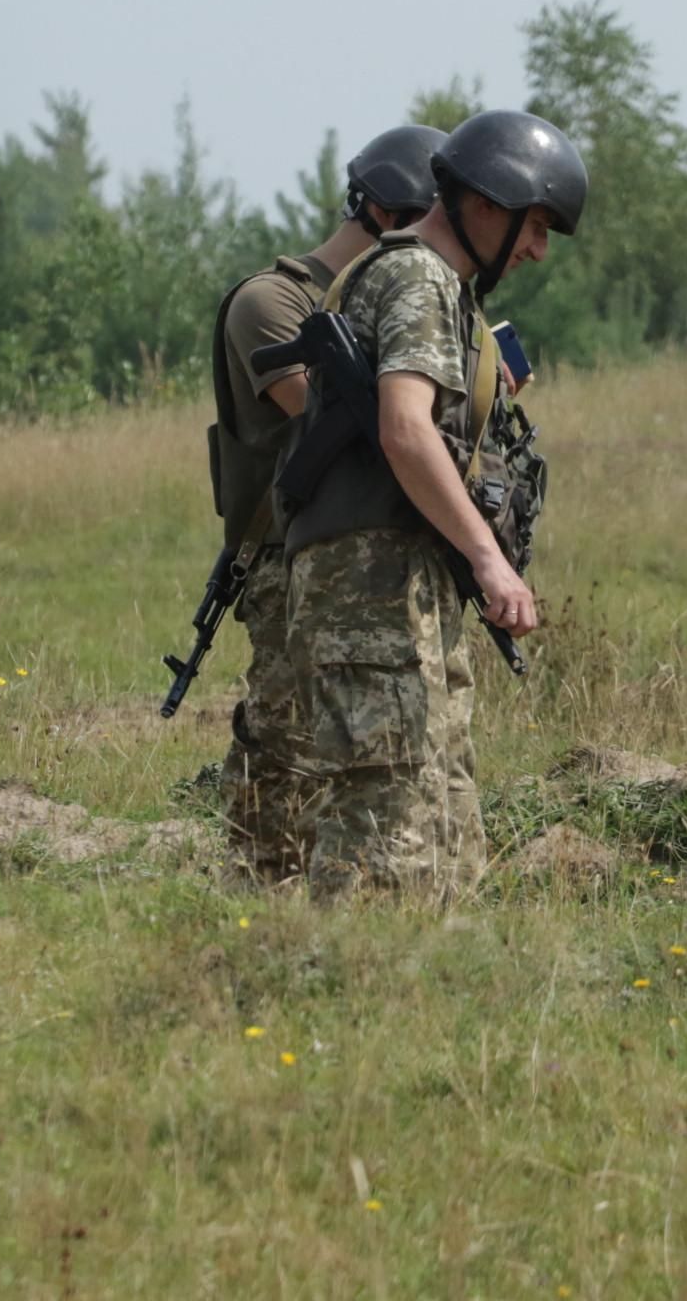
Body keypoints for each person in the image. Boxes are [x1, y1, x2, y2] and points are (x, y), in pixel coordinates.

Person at [261, 107, 585, 899]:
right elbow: (406, 431)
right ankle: (352, 1000)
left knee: (438, 824)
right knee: (383, 835)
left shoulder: (438, 288)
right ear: (488, 204)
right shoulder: (416, 278)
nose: (539, 250)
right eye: (536, 226)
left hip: (398, 580)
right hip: (370, 586)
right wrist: (487, 558)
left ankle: (423, 1002)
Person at [211, 125, 444, 880]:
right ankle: (257, 889)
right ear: (380, 211)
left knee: (373, 750)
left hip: (374, 552)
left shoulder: (413, 303)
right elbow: (331, 417)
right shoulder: (270, 302)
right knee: (285, 746)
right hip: (288, 555)